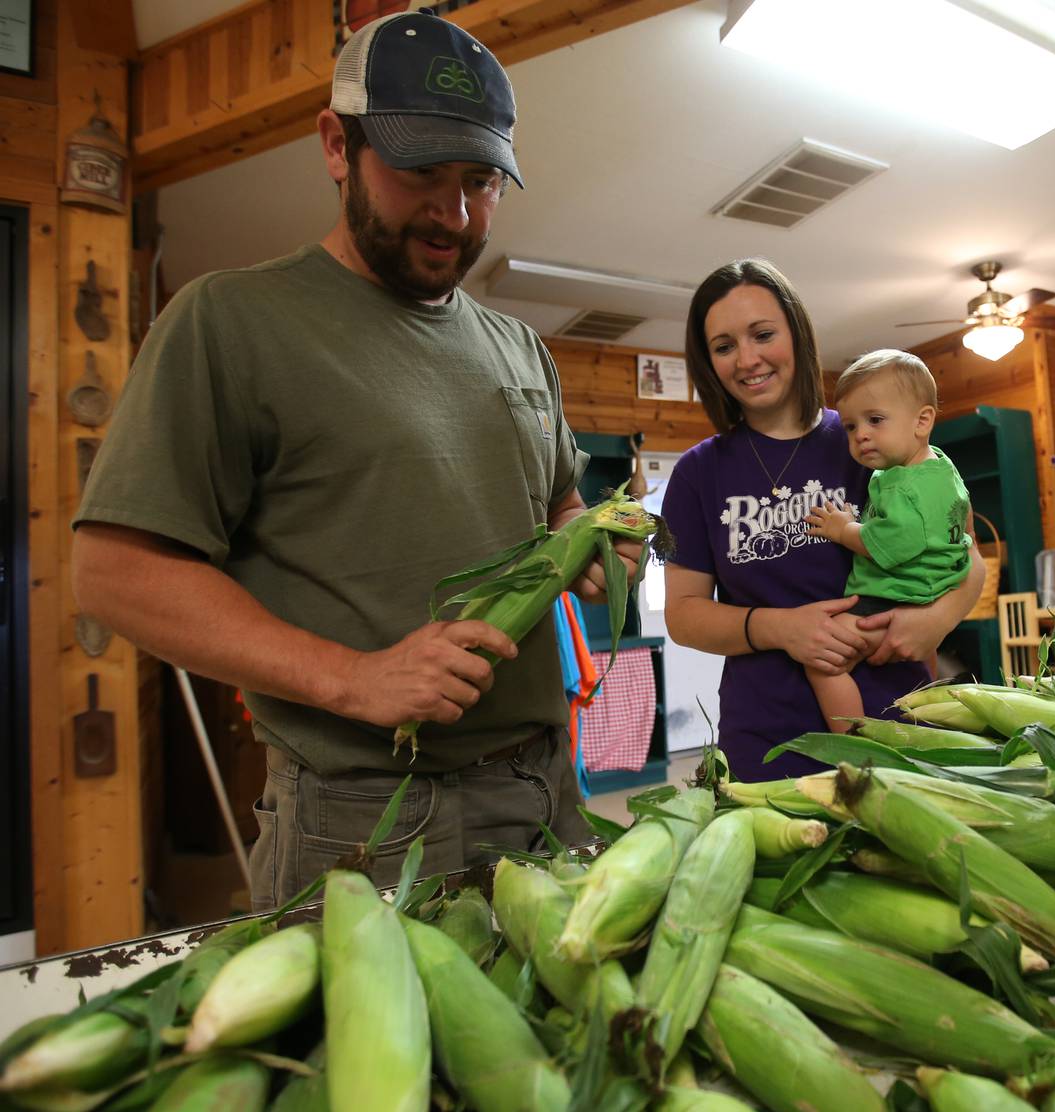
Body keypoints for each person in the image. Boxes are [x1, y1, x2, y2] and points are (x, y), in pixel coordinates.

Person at [71, 10, 635, 911]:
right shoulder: (230, 322)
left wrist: (591, 545)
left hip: (541, 793)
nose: (454, 215)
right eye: (420, 174)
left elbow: (558, 501)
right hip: (362, 816)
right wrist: (356, 676)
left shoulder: (522, 348)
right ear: (338, 146)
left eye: (482, 181)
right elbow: (113, 573)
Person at [662, 260, 986, 781]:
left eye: (762, 334)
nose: (747, 359)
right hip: (767, 736)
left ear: (797, 334)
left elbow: (966, 554)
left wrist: (937, 619)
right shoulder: (699, 473)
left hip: (901, 713)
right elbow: (684, 615)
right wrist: (782, 628)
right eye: (724, 346)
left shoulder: (870, 435)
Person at [803, 350, 974, 731]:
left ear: (922, 421)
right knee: (920, 661)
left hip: (891, 597)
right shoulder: (939, 465)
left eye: (875, 420)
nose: (861, 434)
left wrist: (841, 528)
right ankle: (925, 695)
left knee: (823, 663)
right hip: (934, 588)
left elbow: (885, 547)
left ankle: (856, 736)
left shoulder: (904, 490)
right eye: (850, 426)